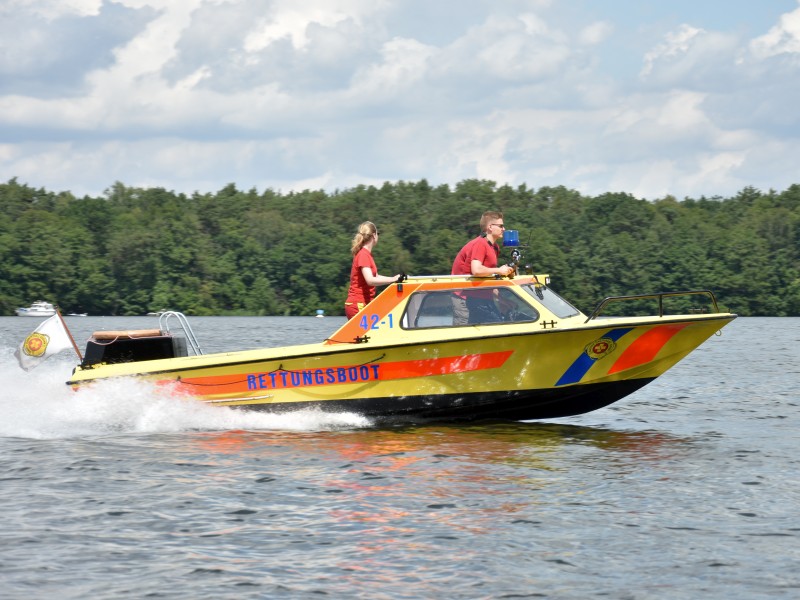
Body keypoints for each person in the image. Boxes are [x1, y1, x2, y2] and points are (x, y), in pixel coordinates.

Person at [451, 211, 514, 325]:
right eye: (501, 226)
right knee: (464, 333)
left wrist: (501, 299)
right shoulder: (480, 244)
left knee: (494, 326)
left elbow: (487, 276)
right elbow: (477, 270)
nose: (504, 229)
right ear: (490, 227)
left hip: (479, 297)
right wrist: (499, 270)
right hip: (464, 297)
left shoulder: (495, 247)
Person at [344, 221, 402, 320]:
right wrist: (392, 280)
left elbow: (376, 277)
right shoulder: (363, 255)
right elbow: (370, 280)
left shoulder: (367, 255)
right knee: (363, 335)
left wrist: (395, 278)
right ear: (374, 235)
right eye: (378, 234)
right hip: (358, 304)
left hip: (362, 303)